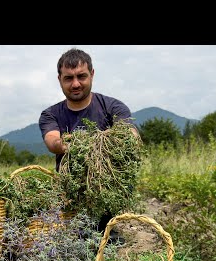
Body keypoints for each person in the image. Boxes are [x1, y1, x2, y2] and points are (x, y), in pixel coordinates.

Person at [38, 47, 140, 235]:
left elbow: (130, 134)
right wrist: (69, 144)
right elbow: (52, 141)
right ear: (59, 79)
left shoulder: (112, 107)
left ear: (92, 74)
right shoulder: (51, 114)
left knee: (110, 240)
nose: (76, 84)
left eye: (81, 76)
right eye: (69, 78)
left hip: (108, 194)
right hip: (72, 197)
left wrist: (107, 140)